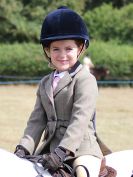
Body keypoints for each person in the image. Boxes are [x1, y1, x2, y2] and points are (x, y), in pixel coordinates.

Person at [14, 6, 112, 177]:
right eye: (56, 49)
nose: (62, 55)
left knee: (83, 172)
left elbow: (80, 119)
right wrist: (23, 148)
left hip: (81, 148)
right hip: (49, 150)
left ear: (80, 48)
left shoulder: (86, 79)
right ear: (47, 51)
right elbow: (36, 121)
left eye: (69, 49)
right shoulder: (45, 82)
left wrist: (62, 152)